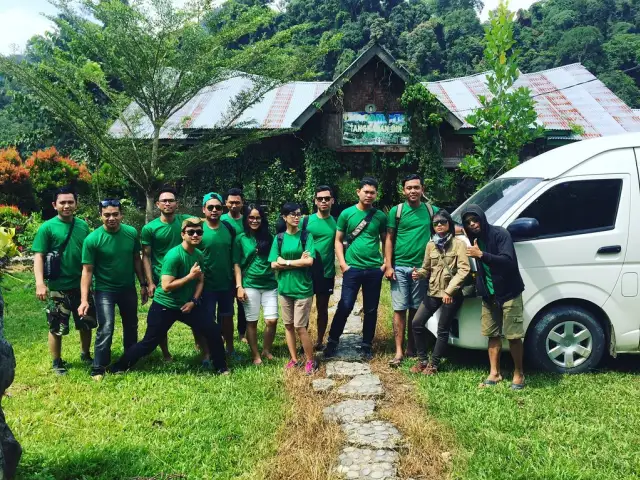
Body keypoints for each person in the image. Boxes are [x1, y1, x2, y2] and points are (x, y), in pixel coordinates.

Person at [110, 218, 229, 375]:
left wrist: (193, 301)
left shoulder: (199, 255)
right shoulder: (174, 256)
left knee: (213, 330)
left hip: (187, 305)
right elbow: (166, 286)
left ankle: (221, 367)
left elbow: (200, 280)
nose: (195, 235)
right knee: (149, 343)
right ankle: (118, 367)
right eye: (191, 232)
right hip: (165, 305)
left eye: (199, 232)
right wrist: (189, 277)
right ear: (182, 234)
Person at [78, 199, 147, 380]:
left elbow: (136, 260)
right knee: (106, 326)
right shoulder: (92, 239)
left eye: (115, 214)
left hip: (128, 288)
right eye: (107, 215)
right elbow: (87, 271)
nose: (111, 218)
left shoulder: (131, 233)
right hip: (104, 290)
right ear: (100, 216)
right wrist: (84, 299)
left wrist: (143, 284)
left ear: (121, 215)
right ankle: (99, 367)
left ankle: (129, 360)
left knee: (131, 325)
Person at [461, 204, 526, 390]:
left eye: (475, 220)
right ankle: (494, 373)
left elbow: (508, 262)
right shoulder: (474, 239)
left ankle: (518, 373)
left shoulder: (500, 234)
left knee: (513, 336)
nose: (473, 224)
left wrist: (481, 255)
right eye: (468, 222)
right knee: (492, 334)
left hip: (510, 292)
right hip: (489, 295)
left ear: (483, 218)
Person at [32, 186, 96, 375]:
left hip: (81, 285)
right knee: (56, 326)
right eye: (62, 202)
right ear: (55, 205)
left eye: (70, 202)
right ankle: (57, 361)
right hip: (57, 287)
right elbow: (39, 256)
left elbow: (90, 253)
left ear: (76, 204)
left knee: (86, 322)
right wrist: (40, 283)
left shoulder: (83, 226)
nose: (66, 205)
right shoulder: (47, 228)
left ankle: (85, 354)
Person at [324, 177, 387, 361]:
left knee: (371, 309)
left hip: (374, 269)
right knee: (345, 305)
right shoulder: (346, 214)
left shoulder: (380, 216)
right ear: (358, 192)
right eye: (365, 191)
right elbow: (338, 239)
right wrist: (343, 264)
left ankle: (367, 344)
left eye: (372, 192)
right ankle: (332, 341)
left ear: (376, 194)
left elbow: (386, 240)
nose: (369, 195)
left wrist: (385, 263)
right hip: (353, 268)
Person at [384, 174, 438, 366]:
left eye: (416, 187)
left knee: (416, 309)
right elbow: (389, 238)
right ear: (403, 190)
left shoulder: (432, 211)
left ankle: (411, 347)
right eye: (409, 188)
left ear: (422, 189)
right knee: (399, 309)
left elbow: (447, 227)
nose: (413, 191)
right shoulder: (396, 211)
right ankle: (398, 351)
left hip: (421, 268)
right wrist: (388, 265)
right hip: (399, 267)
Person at [410, 210, 470, 374]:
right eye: (436, 223)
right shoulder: (431, 245)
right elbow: (427, 268)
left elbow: (464, 270)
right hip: (433, 292)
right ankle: (422, 360)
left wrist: (449, 292)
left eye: (443, 222)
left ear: (449, 224)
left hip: (451, 295)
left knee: (442, 329)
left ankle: (433, 364)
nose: (439, 226)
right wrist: (419, 274)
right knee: (417, 323)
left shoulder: (459, 244)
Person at [140, 186, 190, 362]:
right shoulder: (150, 228)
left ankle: (204, 350)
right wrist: (149, 282)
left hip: (185, 278)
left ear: (177, 204)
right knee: (161, 322)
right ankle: (166, 353)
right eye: (164, 201)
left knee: (196, 315)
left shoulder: (184, 223)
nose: (168, 203)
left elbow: (206, 220)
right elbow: (145, 256)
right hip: (162, 280)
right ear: (157, 204)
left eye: (171, 200)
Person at [269, 202, 317, 375]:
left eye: (298, 214)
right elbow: (274, 263)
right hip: (285, 289)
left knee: (300, 326)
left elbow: (309, 261)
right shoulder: (279, 238)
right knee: (288, 325)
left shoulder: (306, 237)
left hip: (303, 289)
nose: (296, 217)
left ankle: (311, 360)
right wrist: (298, 262)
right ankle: (294, 359)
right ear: (284, 217)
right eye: (292, 214)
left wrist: (287, 262)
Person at [234, 204, 278, 365]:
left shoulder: (270, 237)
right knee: (251, 321)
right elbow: (237, 264)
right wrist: (239, 286)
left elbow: (275, 259)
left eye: (258, 217)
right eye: (251, 217)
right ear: (246, 219)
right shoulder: (240, 239)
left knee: (272, 320)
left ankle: (266, 349)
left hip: (269, 284)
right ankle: (256, 355)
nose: (254, 220)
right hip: (250, 283)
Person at [200, 192, 239, 358]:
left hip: (226, 282)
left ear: (222, 209)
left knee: (227, 318)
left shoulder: (229, 229)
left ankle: (229, 348)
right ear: (204, 209)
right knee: (207, 320)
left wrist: (237, 283)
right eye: (210, 207)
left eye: (218, 207)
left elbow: (234, 258)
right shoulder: (197, 229)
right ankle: (208, 352)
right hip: (205, 284)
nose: (214, 210)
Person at [304, 185, 337, 351]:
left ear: (332, 200)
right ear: (315, 201)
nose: (323, 201)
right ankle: (304, 341)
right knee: (304, 308)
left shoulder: (337, 223)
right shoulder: (306, 221)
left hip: (326, 271)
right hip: (306, 271)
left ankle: (319, 340)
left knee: (322, 308)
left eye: (326, 198)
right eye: (320, 198)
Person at [221, 187, 247, 344]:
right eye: (231, 202)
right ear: (226, 203)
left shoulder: (247, 221)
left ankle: (242, 332)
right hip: (225, 267)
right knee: (225, 303)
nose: (234, 205)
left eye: (237, 202)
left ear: (242, 203)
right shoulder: (221, 220)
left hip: (243, 268)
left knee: (243, 302)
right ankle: (223, 332)